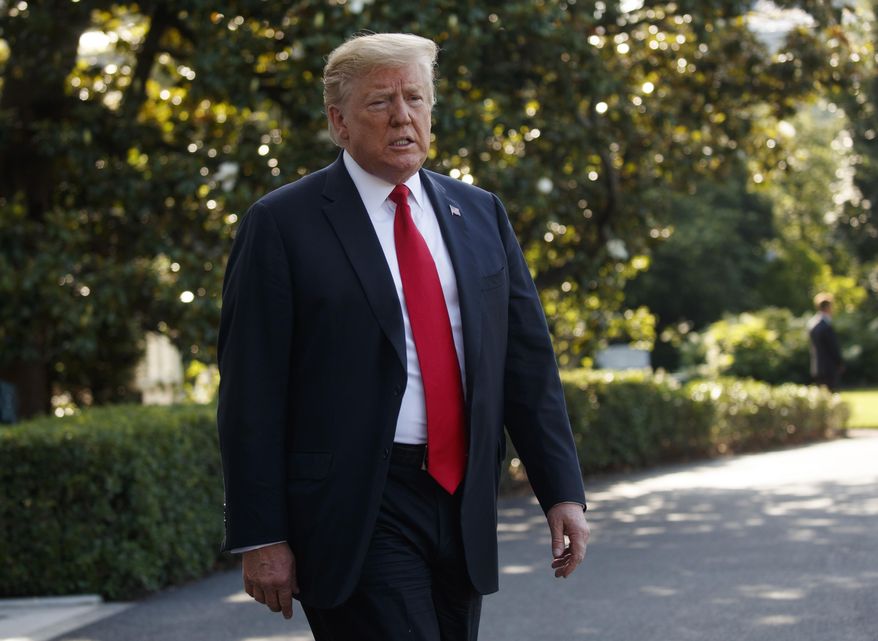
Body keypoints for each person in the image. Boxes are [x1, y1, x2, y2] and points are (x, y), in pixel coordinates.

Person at [217, 32, 589, 641]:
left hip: (461, 498)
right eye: (380, 102)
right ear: (338, 121)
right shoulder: (282, 224)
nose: (403, 117)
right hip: (355, 505)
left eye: (415, 99)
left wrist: (562, 492)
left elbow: (527, 365)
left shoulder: (480, 214)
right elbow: (251, 390)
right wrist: (261, 532)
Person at [808, 292, 844, 391]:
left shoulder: (812, 324)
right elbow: (833, 347)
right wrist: (839, 362)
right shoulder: (825, 325)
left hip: (817, 367)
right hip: (829, 368)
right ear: (828, 307)